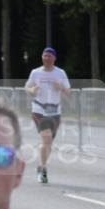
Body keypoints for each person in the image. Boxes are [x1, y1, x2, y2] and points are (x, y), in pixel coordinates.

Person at [25, 47, 71, 184]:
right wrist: (32, 90)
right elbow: (27, 87)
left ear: (54, 58)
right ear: (42, 57)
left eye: (49, 56)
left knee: (48, 144)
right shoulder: (35, 72)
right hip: (39, 109)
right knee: (46, 140)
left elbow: (68, 92)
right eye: (44, 55)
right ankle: (43, 171)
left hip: (55, 111)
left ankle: (40, 165)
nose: (46, 58)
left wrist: (60, 87)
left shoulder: (60, 73)